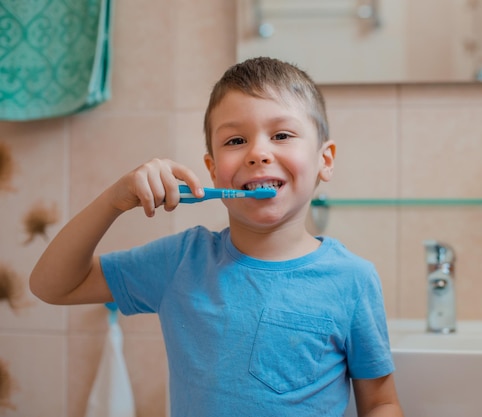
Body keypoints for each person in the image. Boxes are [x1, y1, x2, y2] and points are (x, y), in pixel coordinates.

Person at [30, 57, 403, 417]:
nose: (258, 152)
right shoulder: (181, 262)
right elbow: (54, 286)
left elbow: (380, 403)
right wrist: (114, 200)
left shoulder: (352, 280)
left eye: (282, 135)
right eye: (235, 140)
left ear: (325, 160)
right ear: (212, 170)